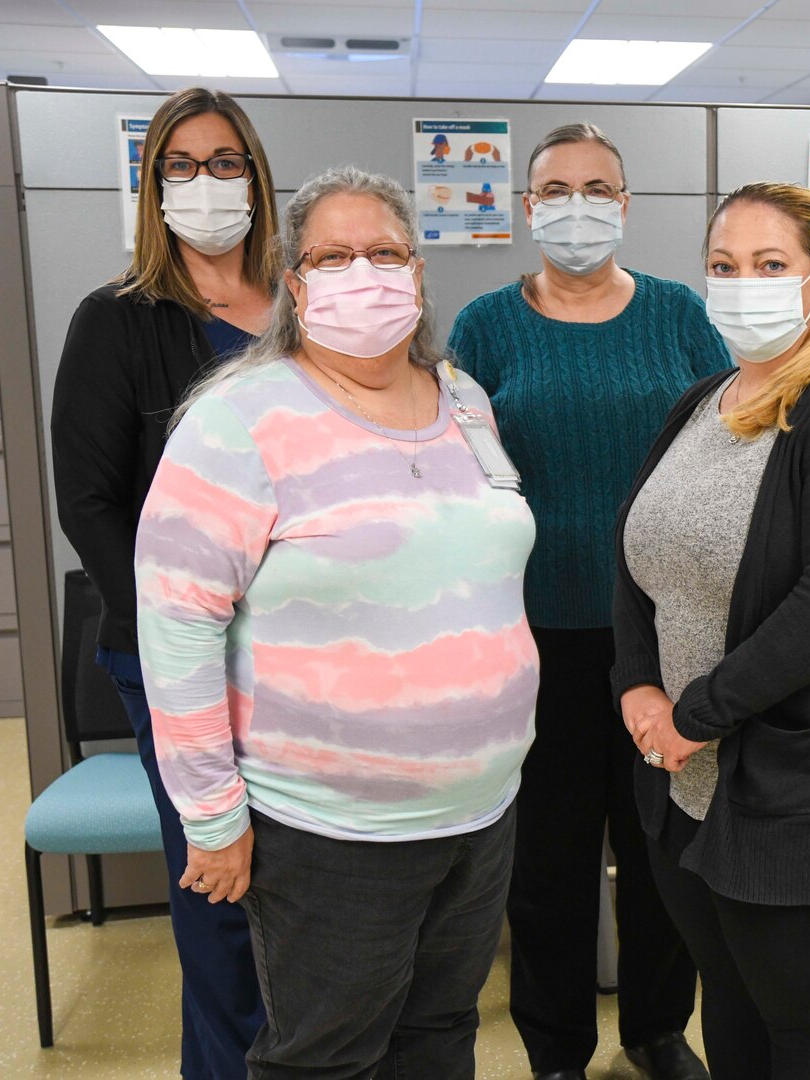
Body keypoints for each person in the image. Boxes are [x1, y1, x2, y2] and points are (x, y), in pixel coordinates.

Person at [135, 166, 539, 1079]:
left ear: (419, 273)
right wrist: (211, 816)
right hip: (330, 831)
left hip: (478, 811)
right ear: (295, 281)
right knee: (326, 1057)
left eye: (386, 251)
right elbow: (177, 625)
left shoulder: (463, 399)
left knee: (440, 1034)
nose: (365, 272)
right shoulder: (240, 418)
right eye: (333, 254)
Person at [614, 181, 810, 1080]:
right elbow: (637, 551)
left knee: (805, 1041)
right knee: (736, 1022)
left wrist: (693, 714)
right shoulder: (702, 400)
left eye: (769, 265)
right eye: (723, 265)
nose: (741, 282)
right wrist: (636, 681)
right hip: (690, 791)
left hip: (807, 790)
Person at [446, 123, 726, 1080]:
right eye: (555, 189)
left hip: (663, 631)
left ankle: (656, 1028)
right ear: (526, 209)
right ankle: (556, 1047)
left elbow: (722, 449)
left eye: (596, 187)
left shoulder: (682, 315)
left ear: (624, 203)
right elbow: (455, 473)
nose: (576, 205)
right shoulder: (486, 326)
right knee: (550, 863)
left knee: (662, 847)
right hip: (537, 636)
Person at [51, 85, 276, 1079]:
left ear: (258, 179)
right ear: (153, 188)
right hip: (180, 659)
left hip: (303, 659)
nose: (205, 183)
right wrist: (178, 629)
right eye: (180, 166)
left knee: (300, 896)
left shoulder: (307, 306)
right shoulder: (117, 320)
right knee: (219, 896)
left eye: (225, 162)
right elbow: (89, 502)